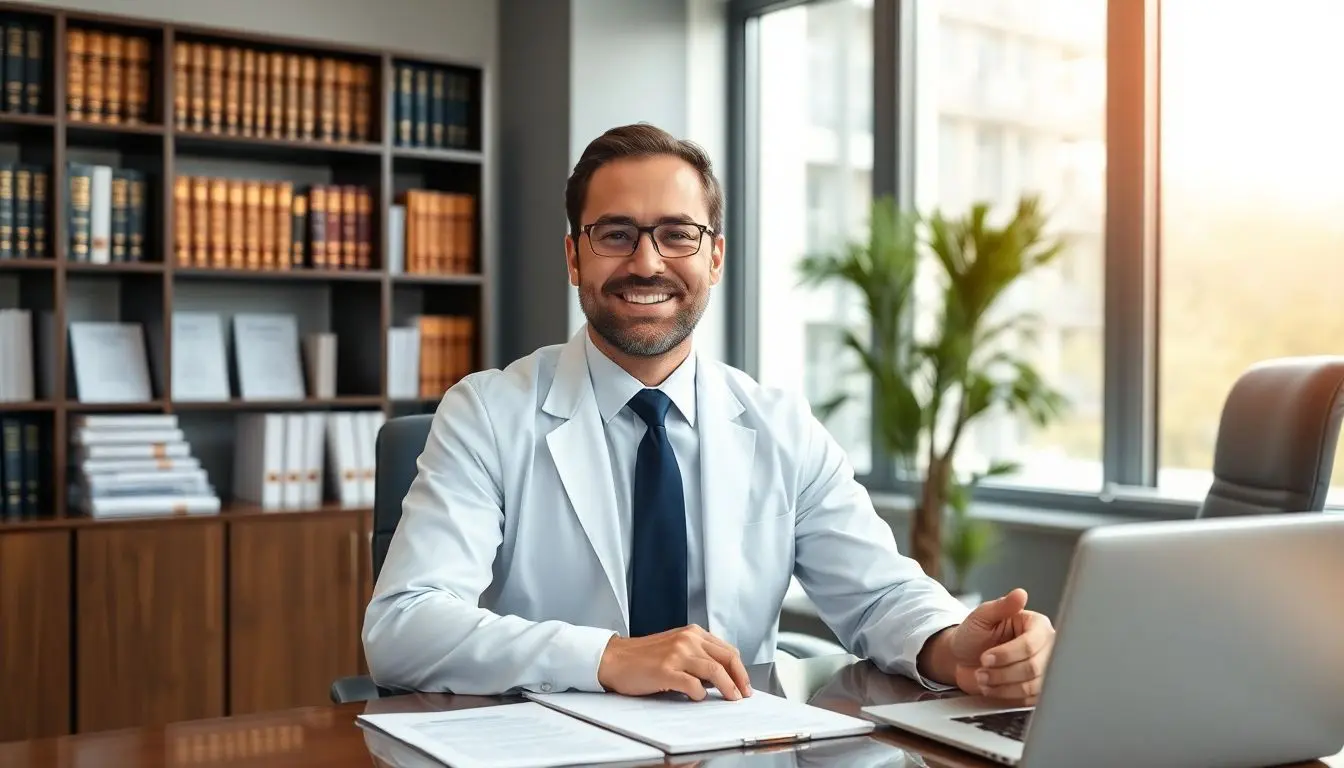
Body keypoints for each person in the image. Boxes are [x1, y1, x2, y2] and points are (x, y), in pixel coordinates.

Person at [362, 123, 1055, 704]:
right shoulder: (487, 413)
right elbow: (403, 628)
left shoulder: (779, 425)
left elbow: (878, 597)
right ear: (574, 257)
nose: (646, 261)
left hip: (737, 747)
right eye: (614, 235)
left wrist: (952, 644)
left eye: (676, 235)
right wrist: (606, 657)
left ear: (715, 257)